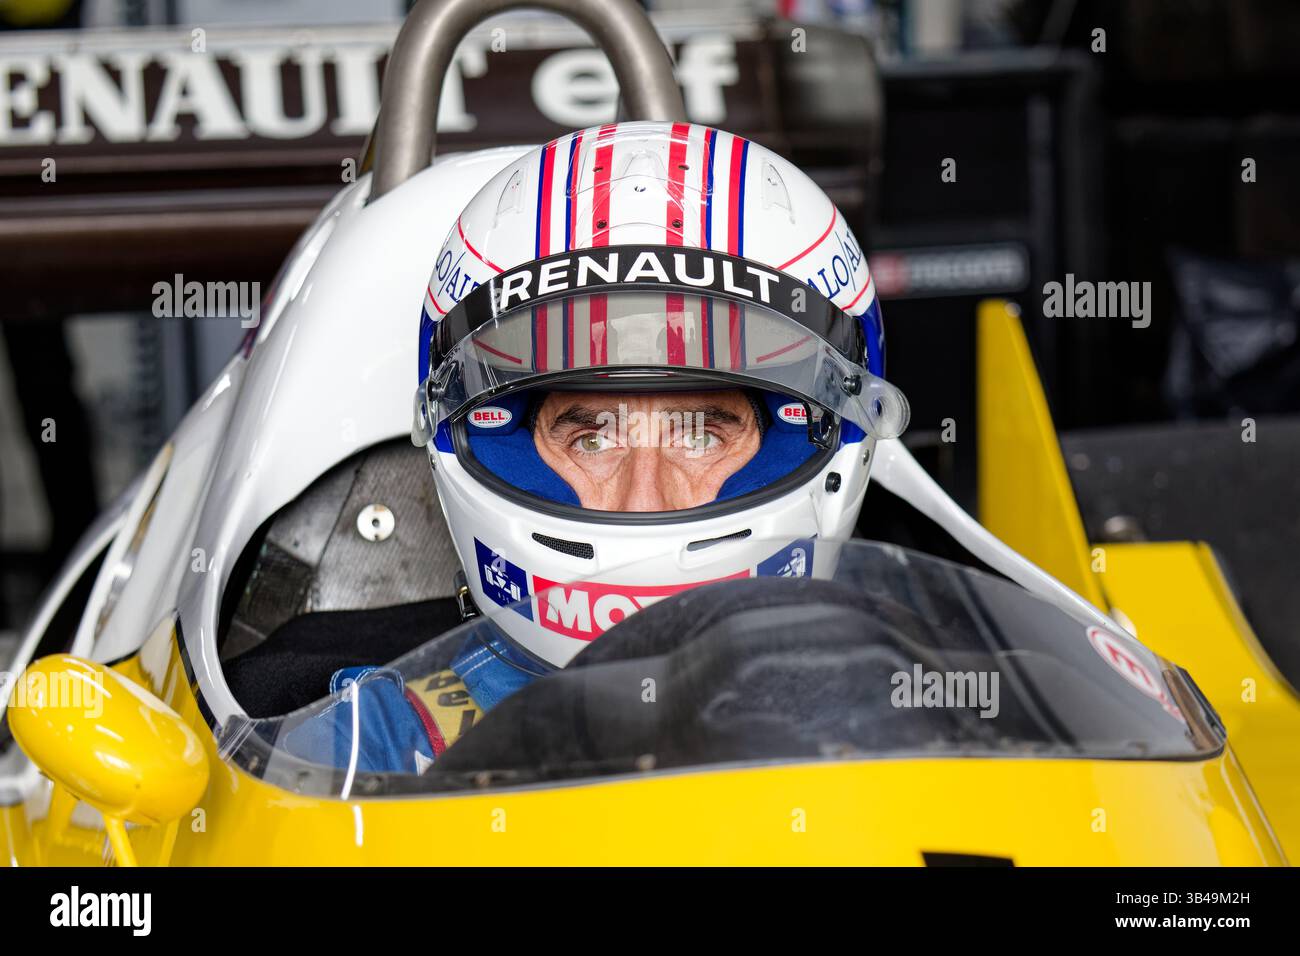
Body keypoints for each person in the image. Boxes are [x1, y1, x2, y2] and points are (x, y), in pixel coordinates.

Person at [283, 121, 909, 772]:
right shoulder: (372, 750)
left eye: (698, 433)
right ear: (500, 438)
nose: (645, 500)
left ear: (813, 435)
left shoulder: (914, 708)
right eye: (593, 436)